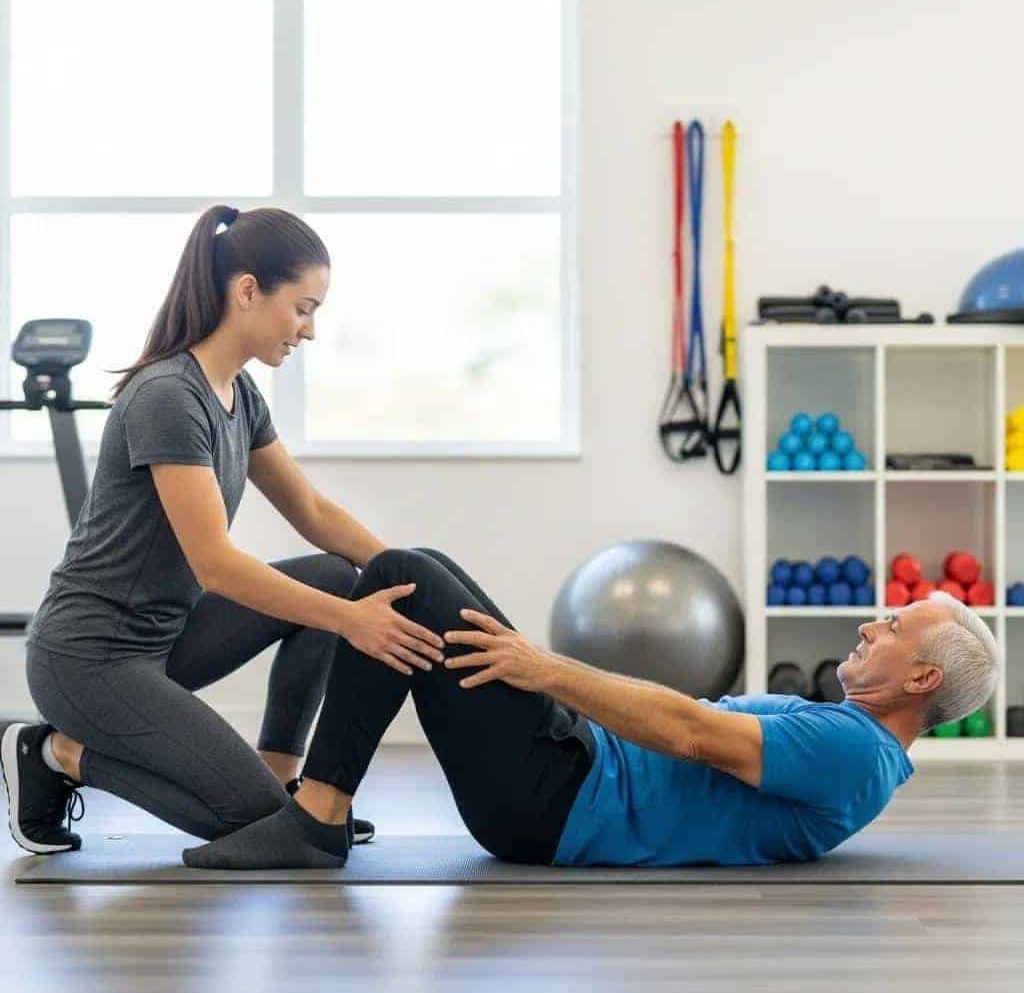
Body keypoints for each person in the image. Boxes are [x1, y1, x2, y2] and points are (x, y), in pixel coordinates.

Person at [1, 205, 448, 857]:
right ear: (246, 292)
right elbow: (216, 564)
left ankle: (282, 778)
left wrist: (408, 577)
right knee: (250, 818)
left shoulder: (240, 392)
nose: (311, 330)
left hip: (166, 640)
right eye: (302, 307)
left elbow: (314, 513)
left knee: (335, 577)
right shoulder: (168, 396)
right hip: (88, 659)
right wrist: (353, 623)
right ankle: (54, 752)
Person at [174, 553, 998, 870]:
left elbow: (687, 729)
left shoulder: (852, 755)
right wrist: (542, 679)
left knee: (403, 578)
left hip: (559, 801)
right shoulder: (848, 738)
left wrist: (545, 669)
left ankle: (317, 812)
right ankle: (303, 788)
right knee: (401, 575)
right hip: (572, 764)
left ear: (922, 680)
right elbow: (683, 724)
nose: (868, 623)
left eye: (892, 627)